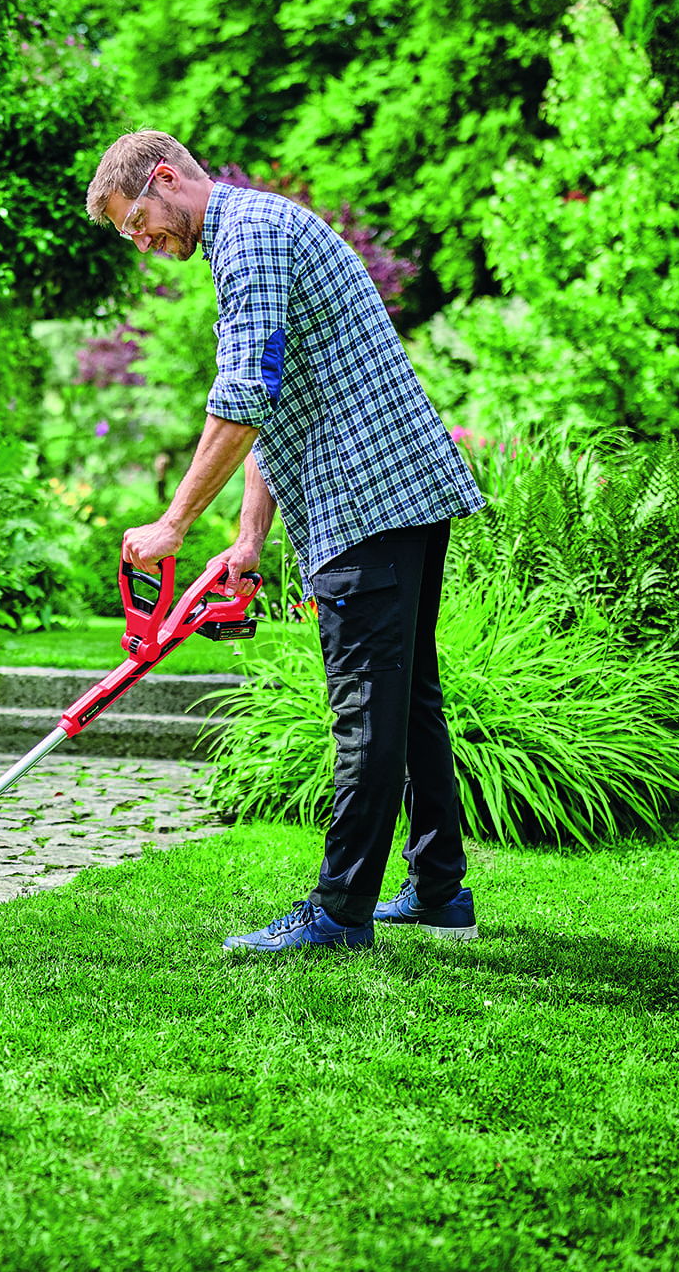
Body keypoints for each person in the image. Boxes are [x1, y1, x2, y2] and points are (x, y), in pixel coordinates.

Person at [87, 131, 485, 953]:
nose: (143, 244)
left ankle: (339, 912)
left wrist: (172, 524)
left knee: (367, 710)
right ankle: (440, 889)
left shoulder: (251, 240)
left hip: (366, 497)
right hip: (396, 492)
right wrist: (248, 537)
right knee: (407, 703)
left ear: (164, 178)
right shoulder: (251, 233)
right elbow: (273, 403)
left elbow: (241, 398)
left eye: (137, 224)